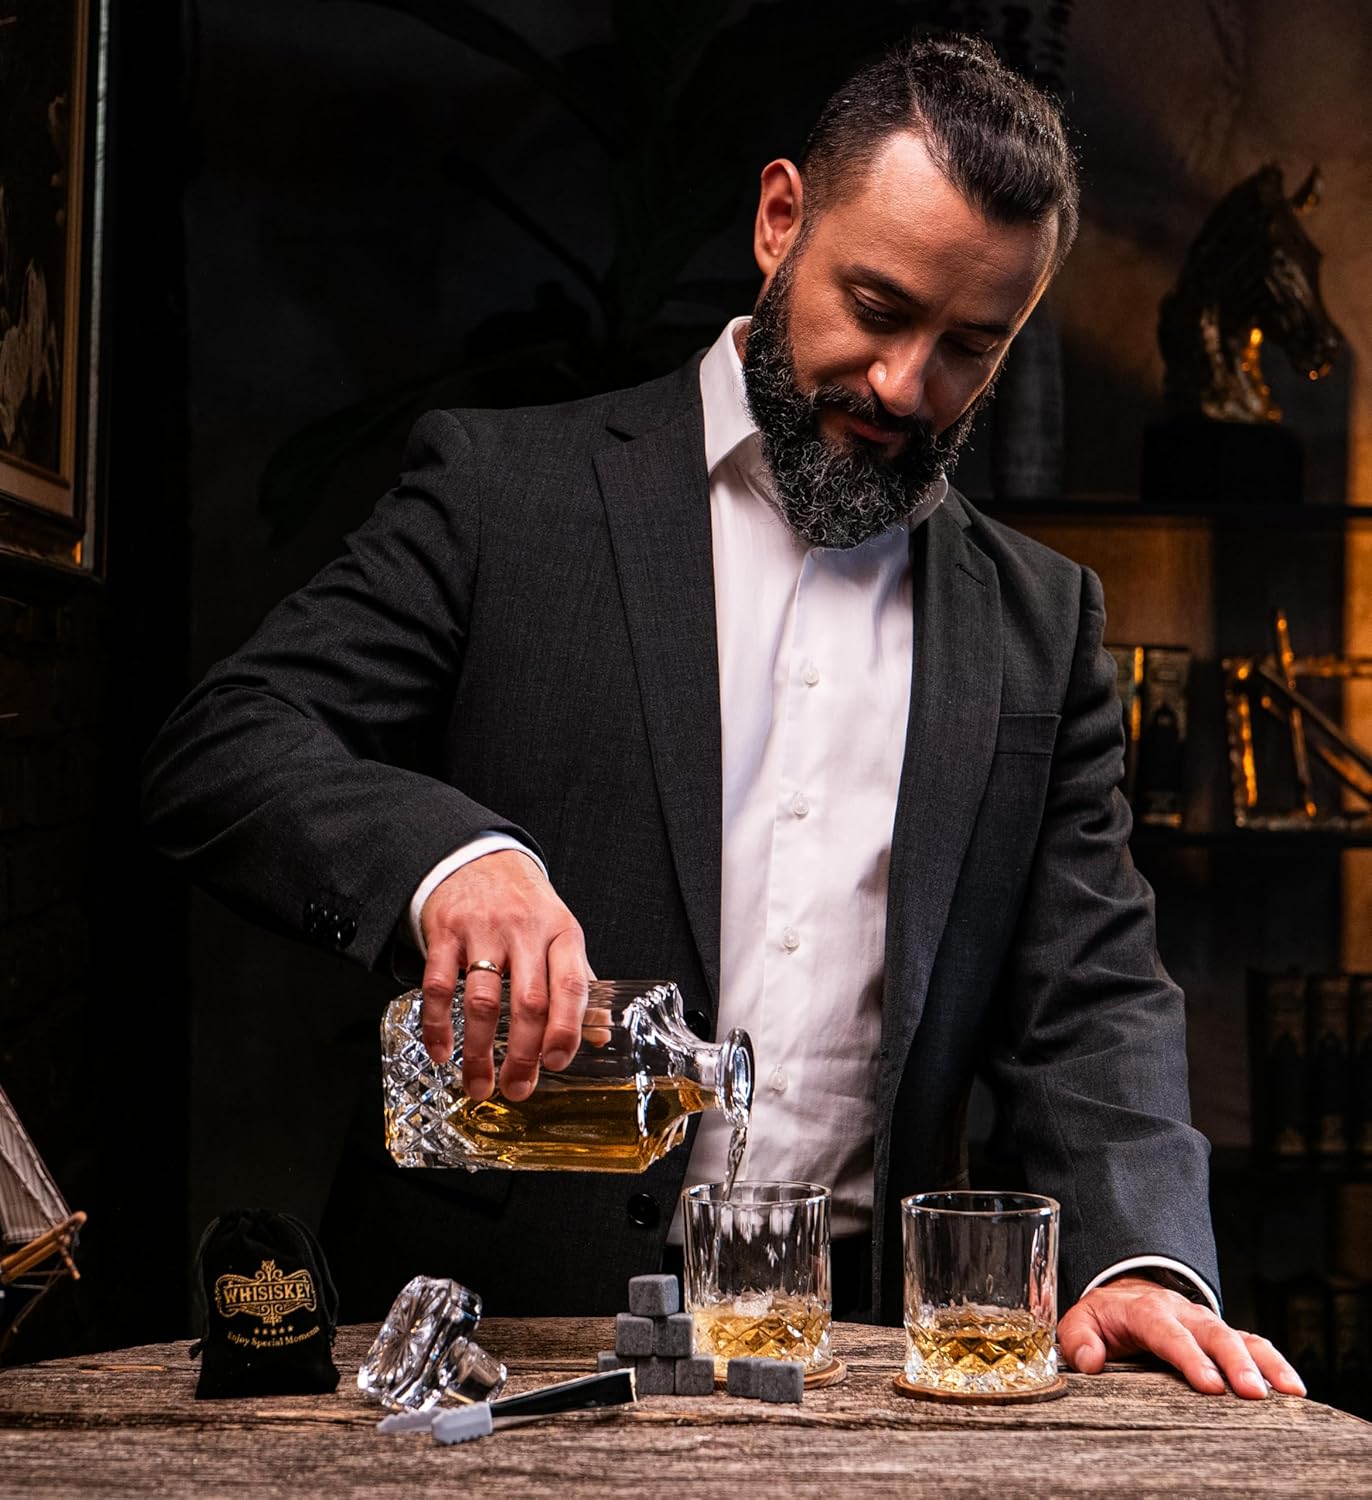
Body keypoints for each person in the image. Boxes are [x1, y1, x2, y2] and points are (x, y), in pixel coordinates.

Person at [142, 34, 1302, 1399]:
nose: (904, 385)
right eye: (876, 306)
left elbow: (1093, 992)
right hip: (485, 1348)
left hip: (853, 1366)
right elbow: (227, 743)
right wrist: (452, 862)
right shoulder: (503, 492)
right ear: (779, 219)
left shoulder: (1042, 626)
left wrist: (1141, 1259)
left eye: (968, 348)